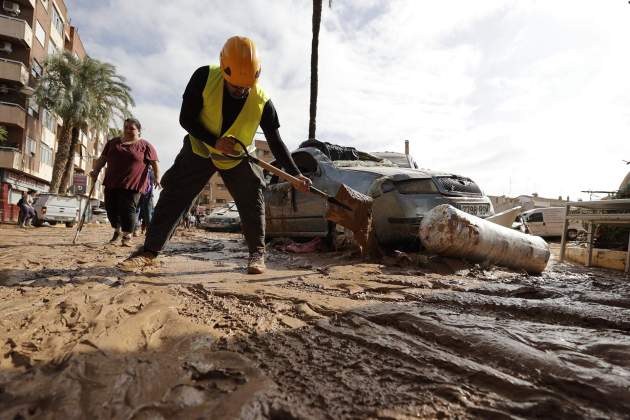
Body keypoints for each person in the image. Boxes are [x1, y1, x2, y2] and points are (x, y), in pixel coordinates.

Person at [120, 35, 311, 274]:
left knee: (252, 197)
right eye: (235, 86)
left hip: (237, 158)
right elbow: (185, 118)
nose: (241, 91)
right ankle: (149, 252)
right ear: (224, 69)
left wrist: (296, 174)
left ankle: (257, 254)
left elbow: (276, 143)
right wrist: (214, 141)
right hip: (199, 148)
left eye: (246, 87)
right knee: (175, 195)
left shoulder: (263, 102)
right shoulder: (204, 77)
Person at [90, 118, 160, 247]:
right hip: (112, 181)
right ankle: (117, 231)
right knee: (111, 207)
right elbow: (103, 158)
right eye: (126, 127)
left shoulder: (145, 145)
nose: (128, 130)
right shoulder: (113, 143)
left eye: (132, 128)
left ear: (139, 131)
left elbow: (155, 163)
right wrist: (96, 171)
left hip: (134, 183)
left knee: (128, 208)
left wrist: (157, 178)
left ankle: (127, 236)